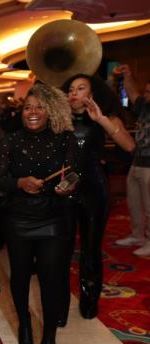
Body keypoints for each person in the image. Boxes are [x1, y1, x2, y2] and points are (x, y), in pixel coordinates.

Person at [0, 82, 77, 344]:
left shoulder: (66, 139)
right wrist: (19, 182)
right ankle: (25, 325)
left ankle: (49, 340)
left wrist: (67, 187)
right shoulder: (10, 141)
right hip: (19, 219)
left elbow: (75, 174)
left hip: (54, 218)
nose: (33, 111)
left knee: (52, 281)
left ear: (50, 110)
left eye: (40, 106)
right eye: (28, 106)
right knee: (20, 276)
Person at [61, 74, 135, 321]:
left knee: (91, 249)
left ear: (92, 94)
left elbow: (129, 146)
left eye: (80, 88)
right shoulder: (59, 119)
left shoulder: (105, 117)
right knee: (61, 248)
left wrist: (101, 119)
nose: (74, 93)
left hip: (94, 191)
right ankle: (59, 302)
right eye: (71, 89)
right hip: (65, 191)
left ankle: (89, 301)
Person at [114, 65, 150, 255]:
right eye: (147, 91)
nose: (146, 94)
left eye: (149, 92)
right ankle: (138, 235)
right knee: (134, 202)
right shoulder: (145, 106)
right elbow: (133, 93)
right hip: (137, 162)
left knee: (149, 204)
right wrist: (128, 75)